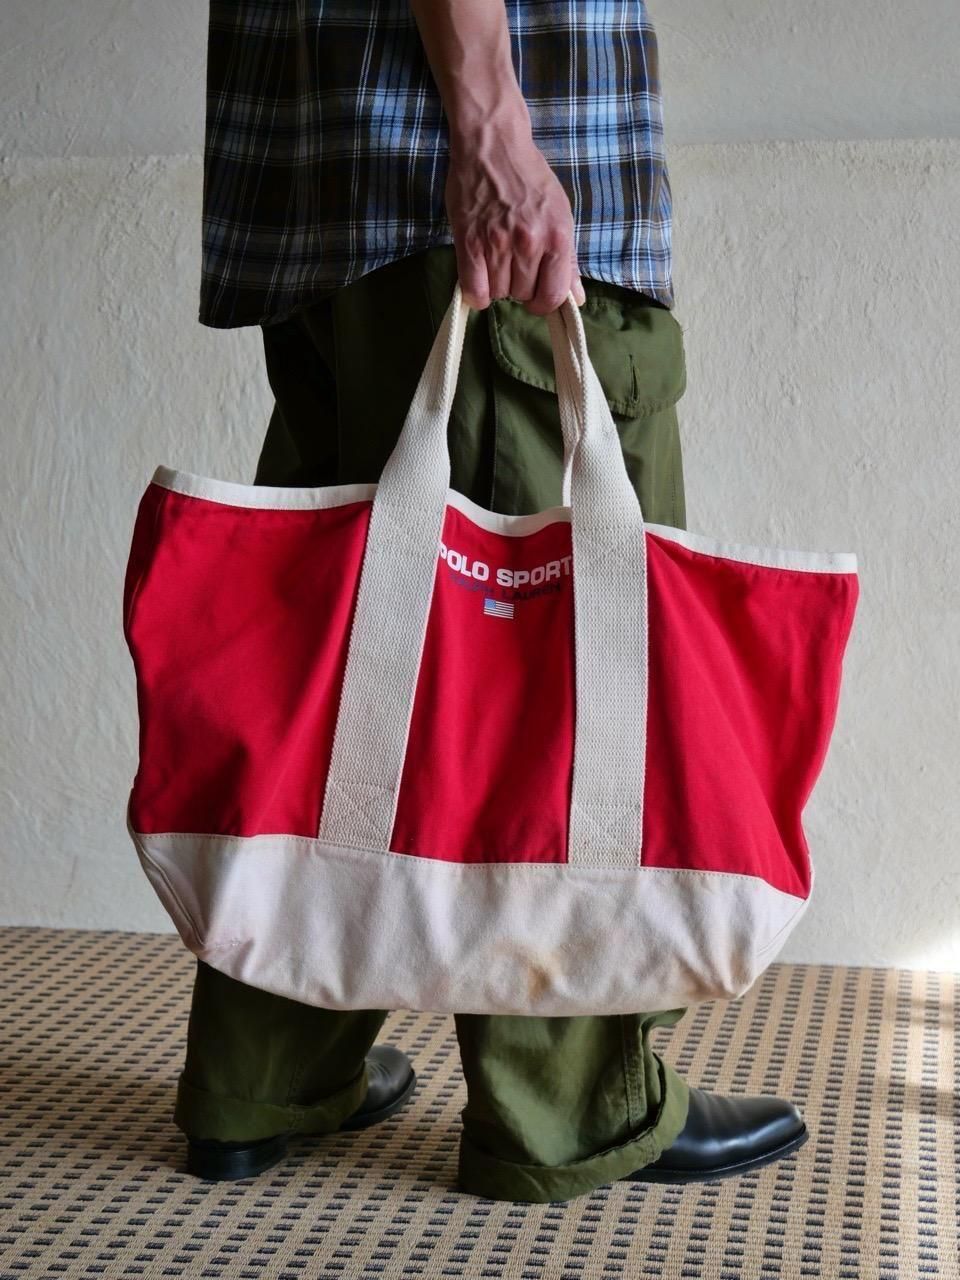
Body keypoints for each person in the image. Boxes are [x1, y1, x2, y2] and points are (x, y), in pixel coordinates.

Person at [175, 0, 808, 1204]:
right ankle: (568, 1108)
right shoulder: (491, 144)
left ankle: (263, 1076)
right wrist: (494, 124)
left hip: (334, 157)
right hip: (476, 155)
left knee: (339, 646)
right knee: (550, 661)